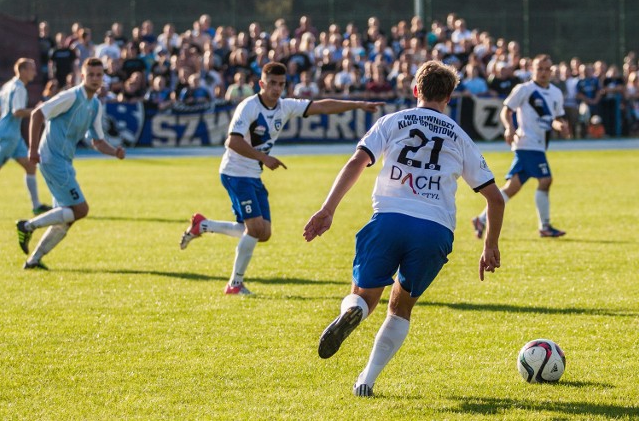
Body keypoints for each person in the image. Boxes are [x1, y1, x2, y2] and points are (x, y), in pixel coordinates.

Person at [303, 60, 504, 397]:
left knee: (364, 296)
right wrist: (490, 245)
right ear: (450, 96)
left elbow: (357, 162)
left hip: (389, 220)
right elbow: (495, 199)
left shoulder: (392, 122)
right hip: (435, 231)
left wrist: (328, 208)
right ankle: (366, 379)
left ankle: (353, 311)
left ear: (415, 91)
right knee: (401, 307)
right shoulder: (459, 136)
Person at [179, 61, 383, 295]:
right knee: (254, 228)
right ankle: (235, 284)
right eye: (272, 83)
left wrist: (358, 104)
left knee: (263, 232)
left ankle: (202, 225)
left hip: (252, 174)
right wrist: (264, 158)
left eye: (281, 84)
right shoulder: (249, 107)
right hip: (235, 172)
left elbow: (321, 106)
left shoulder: (284, 106)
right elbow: (232, 141)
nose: (276, 89)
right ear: (261, 83)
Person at [16, 57, 125, 270]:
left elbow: (97, 141)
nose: (95, 79)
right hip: (52, 159)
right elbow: (38, 114)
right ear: (82, 76)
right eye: (90, 75)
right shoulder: (71, 96)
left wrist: (115, 152)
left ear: (103, 78)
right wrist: (33, 149)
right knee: (81, 209)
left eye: (98, 75)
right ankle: (27, 226)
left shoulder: (95, 104)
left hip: (64, 162)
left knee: (68, 218)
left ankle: (33, 260)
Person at [472, 54, 569, 239]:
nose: (543, 72)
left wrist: (561, 127)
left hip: (539, 145)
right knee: (546, 180)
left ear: (552, 71)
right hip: (526, 143)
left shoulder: (556, 93)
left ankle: (481, 219)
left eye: (547, 69)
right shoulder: (524, 89)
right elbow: (506, 110)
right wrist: (509, 128)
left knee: (512, 187)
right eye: (539, 68)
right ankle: (545, 226)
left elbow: (555, 119)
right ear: (532, 69)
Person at [0, 58, 51, 215]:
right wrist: (37, 111)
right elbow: (17, 111)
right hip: (9, 136)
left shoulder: (8, 85)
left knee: (30, 166)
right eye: (31, 69)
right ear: (22, 71)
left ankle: (36, 206)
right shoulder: (19, 88)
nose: (34, 72)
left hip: (12, 135)